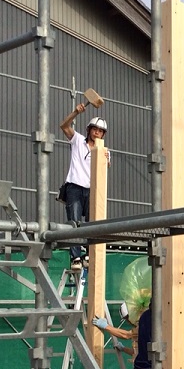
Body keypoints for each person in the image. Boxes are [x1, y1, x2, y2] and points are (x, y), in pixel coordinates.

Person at [59, 102, 110, 271]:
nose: (97, 133)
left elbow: (106, 167)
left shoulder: (103, 151)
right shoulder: (78, 140)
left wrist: (106, 159)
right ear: (89, 130)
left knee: (92, 222)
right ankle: (75, 257)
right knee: (74, 222)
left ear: (103, 135)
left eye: (100, 131)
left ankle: (89, 254)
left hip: (92, 189)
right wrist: (76, 112)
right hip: (74, 186)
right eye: (95, 129)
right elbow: (64, 126)